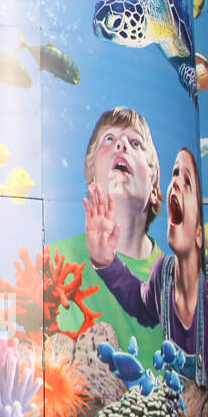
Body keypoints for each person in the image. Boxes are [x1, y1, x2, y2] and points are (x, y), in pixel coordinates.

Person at [86, 147, 208, 384]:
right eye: (174, 174)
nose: (175, 183)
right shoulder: (163, 273)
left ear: (200, 234)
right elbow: (141, 305)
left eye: (187, 182)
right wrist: (106, 262)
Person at [53, 108, 165, 355]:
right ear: (91, 177)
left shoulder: (172, 277)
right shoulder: (53, 262)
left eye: (135, 142)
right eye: (109, 139)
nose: (122, 144)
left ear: (155, 188)